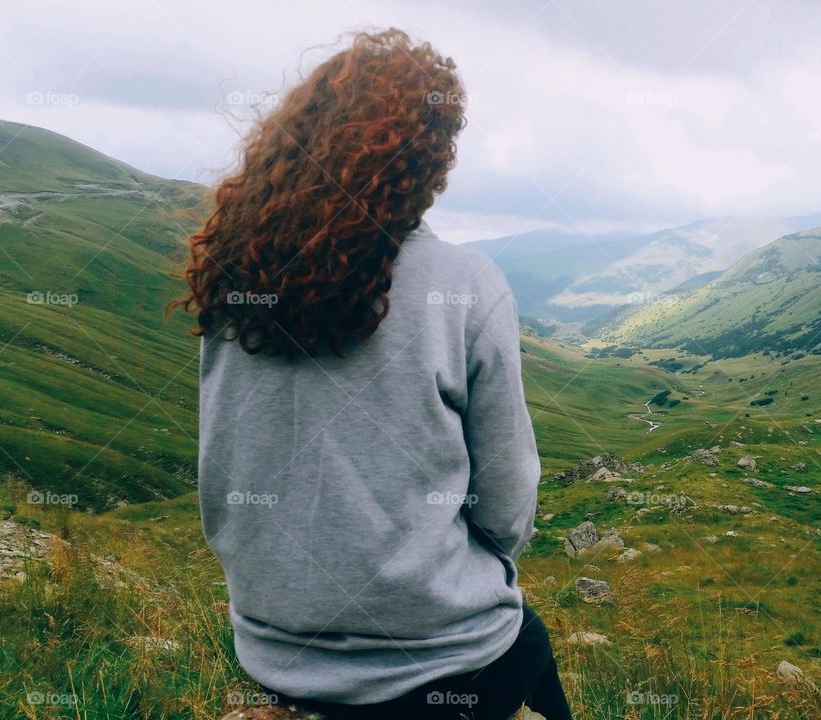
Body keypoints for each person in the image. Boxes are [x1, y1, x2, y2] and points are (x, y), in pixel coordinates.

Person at [171, 28, 572, 720]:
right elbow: (506, 504)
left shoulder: (238, 279)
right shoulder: (466, 284)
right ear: (430, 157)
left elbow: (224, 469)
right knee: (528, 645)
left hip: (275, 653)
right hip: (444, 657)